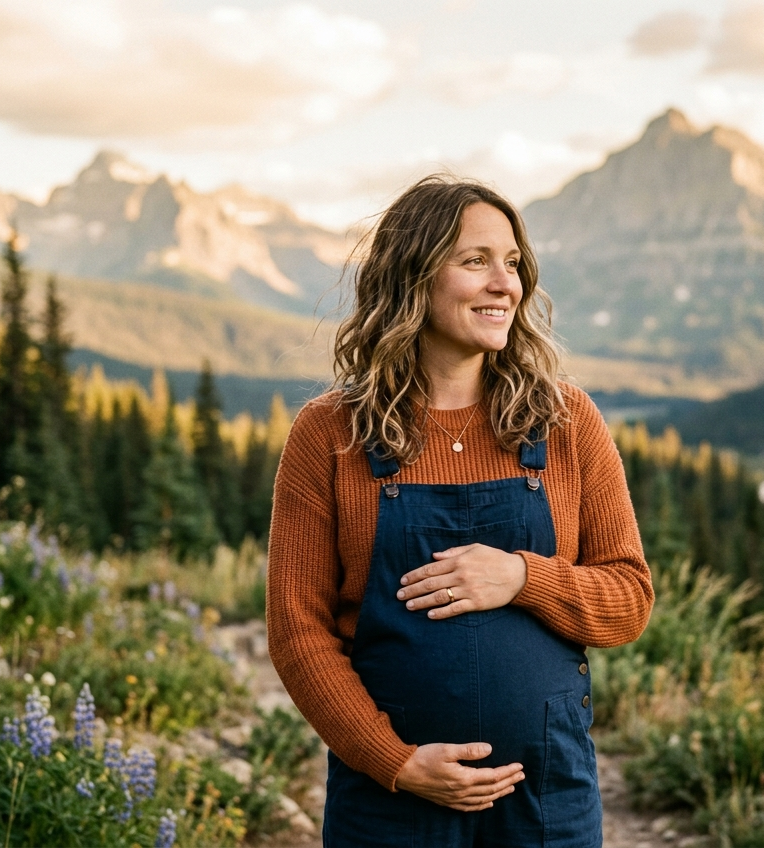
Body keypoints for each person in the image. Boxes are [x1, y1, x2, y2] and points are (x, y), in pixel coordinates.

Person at [267, 175, 653, 847]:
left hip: (546, 803)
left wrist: (523, 578)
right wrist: (397, 763)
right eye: (476, 261)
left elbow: (628, 599)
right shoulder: (329, 434)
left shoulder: (566, 421)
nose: (505, 283)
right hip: (388, 808)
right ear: (412, 276)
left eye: (513, 264)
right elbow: (297, 634)